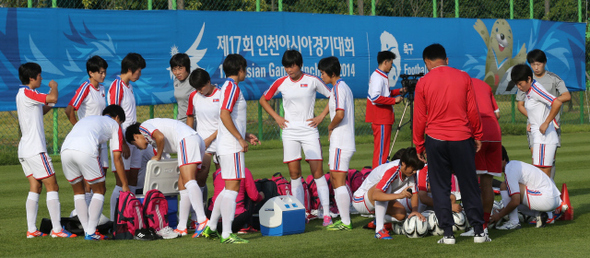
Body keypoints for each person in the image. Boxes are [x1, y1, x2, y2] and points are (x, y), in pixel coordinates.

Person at [413, 43, 489, 244]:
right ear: (446, 59)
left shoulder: (423, 82)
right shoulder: (463, 77)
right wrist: (478, 134)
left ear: (427, 62)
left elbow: (419, 118)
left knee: (440, 187)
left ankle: (447, 234)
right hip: (462, 138)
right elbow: (472, 109)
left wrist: (419, 144)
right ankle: (479, 232)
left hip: (435, 139)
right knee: (469, 184)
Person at [259, 50, 333, 226]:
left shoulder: (313, 80)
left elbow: (333, 96)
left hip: (309, 131)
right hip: (290, 132)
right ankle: (301, 213)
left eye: (292, 65)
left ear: (300, 65)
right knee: (294, 174)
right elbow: (263, 100)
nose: (289, 69)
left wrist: (321, 116)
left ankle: (327, 213)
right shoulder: (281, 82)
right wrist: (277, 117)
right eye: (286, 66)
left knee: (317, 172)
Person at [201, 54, 257, 244]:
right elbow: (225, 114)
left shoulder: (225, 86)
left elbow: (228, 118)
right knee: (233, 190)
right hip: (231, 146)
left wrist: (244, 133)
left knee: (226, 189)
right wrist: (240, 138)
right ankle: (226, 234)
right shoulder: (232, 87)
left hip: (226, 145)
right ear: (240, 69)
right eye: (245, 68)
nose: (246, 72)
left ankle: (211, 226)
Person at [16, 62, 75, 238]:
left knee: (36, 186)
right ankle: (57, 230)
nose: (41, 78)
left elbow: (41, 109)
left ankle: (31, 230)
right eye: (39, 75)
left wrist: (51, 102)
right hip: (35, 149)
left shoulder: (23, 95)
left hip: (25, 149)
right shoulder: (28, 92)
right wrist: (54, 87)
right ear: (31, 78)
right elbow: (52, 98)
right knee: (53, 185)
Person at [126, 118, 208, 240]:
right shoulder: (152, 140)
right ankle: (182, 226)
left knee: (189, 181)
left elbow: (160, 137)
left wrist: (157, 156)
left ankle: (202, 220)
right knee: (183, 185)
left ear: (136, 137)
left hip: (186, 139)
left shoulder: (144, 127)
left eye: (134, 145)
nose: (138, 148)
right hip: (193, 139)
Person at [61, 105, 129, 240]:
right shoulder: (115, 125)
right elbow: (117, 158)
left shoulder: (91, 119)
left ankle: (87, 230)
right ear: (117, 118)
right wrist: (125, 184)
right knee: (99, 190)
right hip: (85, 150)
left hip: (65, 150)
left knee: (78, 192)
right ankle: (91, 232)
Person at [515, 49, 570, 180]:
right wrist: (533, 119)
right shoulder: (526, 81)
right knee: (537, 161)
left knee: (550, 161)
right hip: (535, 127)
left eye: (538, 64)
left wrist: (548, 102)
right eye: (533, 64)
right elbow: (521, 105)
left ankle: (548, 189)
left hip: (551, 125)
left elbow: (565, 96)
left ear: (545, 63)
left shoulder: (552, 79)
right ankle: (544, 191)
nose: (536, 67)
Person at [64, 55, 109, 206]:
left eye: (104, 72)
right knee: (90, 180)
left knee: (102, 178)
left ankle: (94, 216)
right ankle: (85, 216)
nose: (103, 75)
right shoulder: (85, 87)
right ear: (91, 73)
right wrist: (79, 130)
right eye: (100, 72)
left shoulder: (102, 89)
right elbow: (69, 110)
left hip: (101, 140)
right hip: (89, 142)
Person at [352, 147, 425, 240]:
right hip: (360, 200)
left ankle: (376, 222)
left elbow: (414, 193)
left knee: (401, 215)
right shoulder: (392, 170)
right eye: (413, 169)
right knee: (386, 188)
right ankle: (379, 230)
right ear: (404, 163)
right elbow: (376, 195)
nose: (415, 171)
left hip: (374, 200)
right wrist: (400, 195)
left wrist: (415, 211)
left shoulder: (409, 172)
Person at [317, 56, 355, 230]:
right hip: (340, 142)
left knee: (338, 180)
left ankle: (346, 221)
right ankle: (344, 218)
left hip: (341, 141)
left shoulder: (339, 88)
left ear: (332, 73)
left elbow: (340, 114)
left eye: (323, 73)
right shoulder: (337, 88)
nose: (322, 76)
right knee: (335, 178)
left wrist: (330, 127)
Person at [461, 78, 502, 236]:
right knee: (487, 184)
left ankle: (478, 227)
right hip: (495, 133)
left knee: (473, 185)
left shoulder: (461, 85)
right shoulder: (484, 85)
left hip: (478, 132)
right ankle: (484, 225)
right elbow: (497, 113)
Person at [107, 53, 145, 220]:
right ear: (130, 69)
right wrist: (121, 143)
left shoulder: (129, 87)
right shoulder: (117, 86)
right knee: (120, 182)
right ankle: (115, 220)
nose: (140, 74)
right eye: (139, 70)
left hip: (133, 139)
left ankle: (130, 217)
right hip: (121, 141)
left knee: (133, 179)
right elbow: (112, 115)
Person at [490, 146, 568, 229]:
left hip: (546, 198)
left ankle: (513, 222)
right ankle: (542, 215)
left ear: (503, 160)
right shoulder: (513, 165)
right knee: (511, 194)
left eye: (494, 161)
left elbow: (515, 202)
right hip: (552, 199)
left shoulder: (509, 170)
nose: (492, 165)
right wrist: (503, 211)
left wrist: (499, 215)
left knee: (504, 186)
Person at [366, 51, 404, 169]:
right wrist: (394, 100)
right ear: (385, 62)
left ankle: (379, 176)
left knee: (383, 151)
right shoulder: (378, 77)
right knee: (381, 153)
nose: (392, 66)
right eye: (391, 63)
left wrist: (399, 91)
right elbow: (375, 97)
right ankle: (377, 179)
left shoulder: (380, 75)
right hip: (381, 118)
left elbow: (385, 94)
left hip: (384, 118)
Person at [207, 168, 264, 233]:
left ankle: (205, 224)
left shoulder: (217, 172)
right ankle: (245, 226)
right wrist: (262, 196)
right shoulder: (244, 170)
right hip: (235, 221)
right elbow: (254, 197)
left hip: (212, 220)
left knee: (214, 199)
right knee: (249, 196)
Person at [170, 53, 195, 124]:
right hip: (180, 122)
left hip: (194, 122)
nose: (177, 72)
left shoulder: (194, 80)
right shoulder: (176, 81)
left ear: (187, 67)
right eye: (174, 69)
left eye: (180, 69)